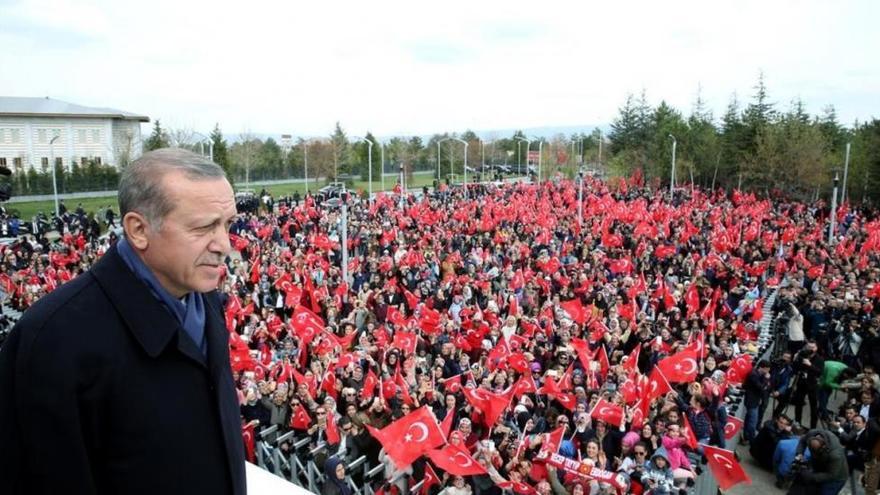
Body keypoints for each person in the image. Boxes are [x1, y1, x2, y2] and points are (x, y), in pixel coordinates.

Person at [0, 148, 244, 494]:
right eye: (204, 227)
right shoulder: (52, 340)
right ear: (139, 230)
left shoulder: (203, 296)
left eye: (228, 224)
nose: (224, 244)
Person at [794, 428, 850, 495]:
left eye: (816, 452)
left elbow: (831, 475)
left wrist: (811, 477)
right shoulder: (812, 434)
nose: (813, 454)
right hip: (821, 465)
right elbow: (802, 441)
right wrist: (799, 453)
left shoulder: (835, 455)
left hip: (836, 478)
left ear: (823, 446)